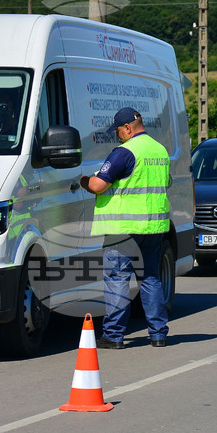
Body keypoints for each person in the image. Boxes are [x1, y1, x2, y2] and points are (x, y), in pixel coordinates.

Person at [79, 107, 171, 349]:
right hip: (153, 227)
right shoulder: (159, 150)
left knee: (117, 279)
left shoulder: (125, 152)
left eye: (118, 131)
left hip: (123, 228)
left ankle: (113, 335)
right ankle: (158, 334)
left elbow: (98, 185)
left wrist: (84, 181)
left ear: (128, 128)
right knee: (151, 279)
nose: (117, 135)